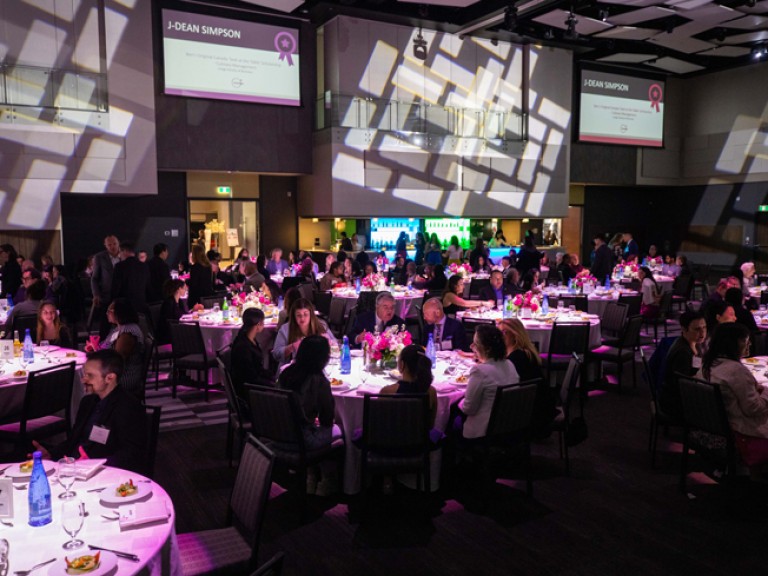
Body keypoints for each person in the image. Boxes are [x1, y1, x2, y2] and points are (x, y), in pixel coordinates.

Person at [32, 349, 148, 472]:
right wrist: (51, 454)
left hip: (104, 474)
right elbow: (73, 442)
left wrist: (94, 465)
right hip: (73, 468)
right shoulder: (88, 402)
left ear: (109, 378)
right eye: (84, 374)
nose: (83, 380)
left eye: (90, 375)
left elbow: (131, 455)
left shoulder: (128, 407)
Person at [698, 323, 768, 468]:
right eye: (745, 340)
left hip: (709, 429)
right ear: (732, 343)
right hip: (739, 435)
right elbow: (753, 409)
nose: (749, 343)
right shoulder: (736, 371)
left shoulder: (708, 364)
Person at [457, 324, 519, 439]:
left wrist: (458, 401)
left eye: (475, 344)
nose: (471, 346)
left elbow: (468, 409)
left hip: (484, 431)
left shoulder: (479, 371)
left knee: (450, 422)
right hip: (509, 426)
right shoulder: (510, 364)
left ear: (487, 349)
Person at [497, 318, 554, 436]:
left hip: (531, 411)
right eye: (499, 332)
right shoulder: (522, 351)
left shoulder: (517, 357)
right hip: (538, 405)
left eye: (504, 332)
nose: (500, 336)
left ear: (515, 335)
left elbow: (505, 384)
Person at [94, 298, 145, 401]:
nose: (107, 313)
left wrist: (97, 353)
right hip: (112, 370)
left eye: (110, 311)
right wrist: (95, 347)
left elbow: (117, 361)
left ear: (120, 313)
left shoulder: (128, 332)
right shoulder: (119, 328)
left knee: (89, 382)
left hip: (124, 376)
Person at [659, 311, 707, 421]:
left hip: (681, 395)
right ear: (684, 329)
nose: (702, 332)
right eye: (697, 329)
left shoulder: (693, 343)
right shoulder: (683, 352)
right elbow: (682, 384)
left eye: (704, 327)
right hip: (674, 402)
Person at [380, 345, 438, 430]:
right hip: (421, 441)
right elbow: (431, 426)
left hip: (390, 440)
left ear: (402, 364)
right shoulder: (431, 392)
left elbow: (378, 424)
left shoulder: (387, 391)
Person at [273, 298, 336, 366]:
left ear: (311, 315)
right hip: (293, 369)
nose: (302, 318)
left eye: (305, 314)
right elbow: (276, 354)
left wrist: (329, 342)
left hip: (318, 366)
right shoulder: (285, 329)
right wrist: (292, 347)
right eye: (298, 315)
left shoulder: (321, 325)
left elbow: (336, 347)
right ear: (294, 316)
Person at [230, 308, 274, 400]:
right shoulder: (243, 347)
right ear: (258, 324)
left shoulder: (247, 338)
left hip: (251, 383)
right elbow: (251, 377)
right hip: (248, 391)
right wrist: (272, 384)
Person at [90, 235, 121, 338]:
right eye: (109, 245)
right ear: (105, 246)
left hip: (122, 296)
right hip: (106, 296)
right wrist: (96, 294)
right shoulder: (99, 257)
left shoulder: (124, 256)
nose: (112, 247)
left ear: (118, 243)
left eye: (114, 244)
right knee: (105, 326)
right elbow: (94, 278)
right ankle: (103, 347)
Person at [111, 242, 150, 312]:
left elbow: (115, 287)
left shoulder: (120, 266)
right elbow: (147, 285)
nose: (119, 255)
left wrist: (112, 301)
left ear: (125, 251)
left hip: (124, 305)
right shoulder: (144, 266)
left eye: (120, 252)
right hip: (141, 303)